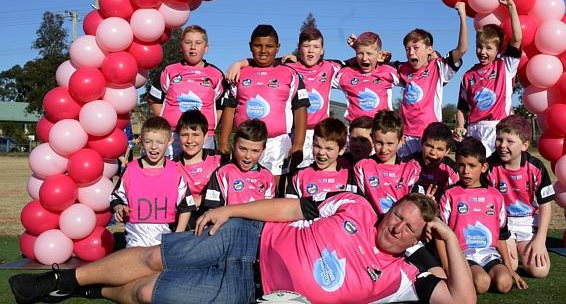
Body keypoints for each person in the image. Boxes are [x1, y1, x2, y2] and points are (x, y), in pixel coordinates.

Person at [9, 193, 476, 304]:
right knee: (159, 256)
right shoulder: (354, 204)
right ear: (390, 208)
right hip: (249, 238)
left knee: (155, 293)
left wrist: (451, 239)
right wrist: (233, 211)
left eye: (410, 227)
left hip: (251, 291)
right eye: (398, 214)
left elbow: (462, 301)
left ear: (420, 238)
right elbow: (292, 209)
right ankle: (61, 281)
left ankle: (95, 291)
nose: (397, 226)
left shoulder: (403, 278)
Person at [226, 28, 342, 169]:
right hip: (256, 140)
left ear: (322, 50)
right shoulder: (288, 66)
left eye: (316, 47)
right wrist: (240, 63)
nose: (311, 51)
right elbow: (265, 58)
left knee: (309, 175)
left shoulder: (329, 67)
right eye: (306, 46)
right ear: (299, 49)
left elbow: (355, 65)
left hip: (313, 135)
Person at [218, 24, 310, 182]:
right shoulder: (239, 73)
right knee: (242, 187)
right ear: (250, 46)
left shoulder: (290, 74)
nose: (263, 51)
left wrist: (298, 145)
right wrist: (223, 142)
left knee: (272, 193)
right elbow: (229, 108)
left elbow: (300, 109)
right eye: (257, 46)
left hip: (277, 145)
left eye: (269, 46)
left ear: (278, 47)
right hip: (245, 144)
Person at [437, 137, 527, 294]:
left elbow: (501, 234)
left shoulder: (495, 195)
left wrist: (509, 268)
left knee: (505, 284)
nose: (466, 171)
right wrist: (447, 268)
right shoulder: (450, 194)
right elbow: (439, 235)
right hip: (462, 254)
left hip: (489, 254)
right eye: (461, 165)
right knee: (482, 283)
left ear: (484, 167)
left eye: (472, 166)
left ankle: (487, 274)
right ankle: (471, 275)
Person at [109, 117, 196, 247]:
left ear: (170, 141)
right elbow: (115, 198)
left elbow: (186, 206)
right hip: (135, 243)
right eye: (148, 141)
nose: (153, 147)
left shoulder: (176, 172)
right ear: (141, 141)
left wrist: (178, 235)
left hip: (165, 244)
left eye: (160, 142)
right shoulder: (131, 170)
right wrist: (120, 209)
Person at [487, 115, 555, 278]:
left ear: (524, 145)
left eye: (509, 141)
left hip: (528, 224)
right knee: (511, 266)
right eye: (499, 140)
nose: (502, 146)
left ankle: (524, 250)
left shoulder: (536, 167)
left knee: (540, 271)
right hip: (502, 225)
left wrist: (540, 240)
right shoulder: (489, 166)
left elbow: (545, 205)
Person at [454, 0, 522, 156]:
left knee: (496, 175)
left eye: (489, 48)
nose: (483, 52)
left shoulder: (505, 66)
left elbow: (517, 38)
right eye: (479, 47)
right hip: (473, 131)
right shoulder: (468, 75)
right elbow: (462, 108)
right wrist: (460, 126)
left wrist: (511, 7)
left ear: (498, 50)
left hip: (498, 129)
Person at [397, 2, 467, 157]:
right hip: (404, 136)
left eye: (415, 48)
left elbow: (462, 49)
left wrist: (462, 15)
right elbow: (373, 64)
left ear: (429, 50)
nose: (410, 52)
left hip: (428, 137)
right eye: (407, 49)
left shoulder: (438, 67)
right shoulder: (402, 69)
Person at [148, 25, 226, 156]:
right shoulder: (168, 71)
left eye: (198, 43)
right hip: (173, 135)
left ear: (206, 48)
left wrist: (206, 128)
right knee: (171, 173)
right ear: (181, 46)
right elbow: (154, 100)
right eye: (188, 42)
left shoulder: (216, 74)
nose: (193, 47)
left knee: (202, 174)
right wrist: (167, 124)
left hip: (204, 137)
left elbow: (220, 107)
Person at [354, 110, 421, 215]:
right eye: (379, 143)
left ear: (401, 141)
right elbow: (359, 202)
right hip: (371, 226)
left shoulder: (411, 169)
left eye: (390, 143)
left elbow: (415, 205)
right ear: (372, 138)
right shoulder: (362, 167)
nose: (384, 149)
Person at [203, 119, 275, 207]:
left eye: (255, 151)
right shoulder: (222, 173)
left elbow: (269, 209)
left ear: (263, 150)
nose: (248, 156)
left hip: (259, 219)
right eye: (243, 149)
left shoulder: (267, 176)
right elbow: (212, 209)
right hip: (229, 219)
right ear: (233, 146)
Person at [172, 110, 223, 231]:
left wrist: (200, 199)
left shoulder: (219, 159)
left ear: (205, 136)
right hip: (184, 221)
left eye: (195, 135)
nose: (190, 140)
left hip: (215, 217)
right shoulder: (172, 166)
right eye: (185, 135)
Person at [333, 32, 401, 123]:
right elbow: (320, 74)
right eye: (360, 53)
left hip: (382, 130)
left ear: (380, 55)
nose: (364, 58)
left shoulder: (388, 71)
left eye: (369, 54)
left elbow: (417, 72)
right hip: (355, 131)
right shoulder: (346, 74)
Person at [285, 117, 355, 201]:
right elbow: (290, 210)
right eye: (317, 146)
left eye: (328, 149)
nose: (321, 152)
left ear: (341, 150)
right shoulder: (299, 176)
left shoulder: (350, 177)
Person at [407, 122, 460, 203]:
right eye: (429, 146)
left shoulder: (452, 168)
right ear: (422, 143)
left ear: (447, 151)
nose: (433, 152)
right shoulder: (409, 164)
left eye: (440, 149)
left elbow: (459, 196)